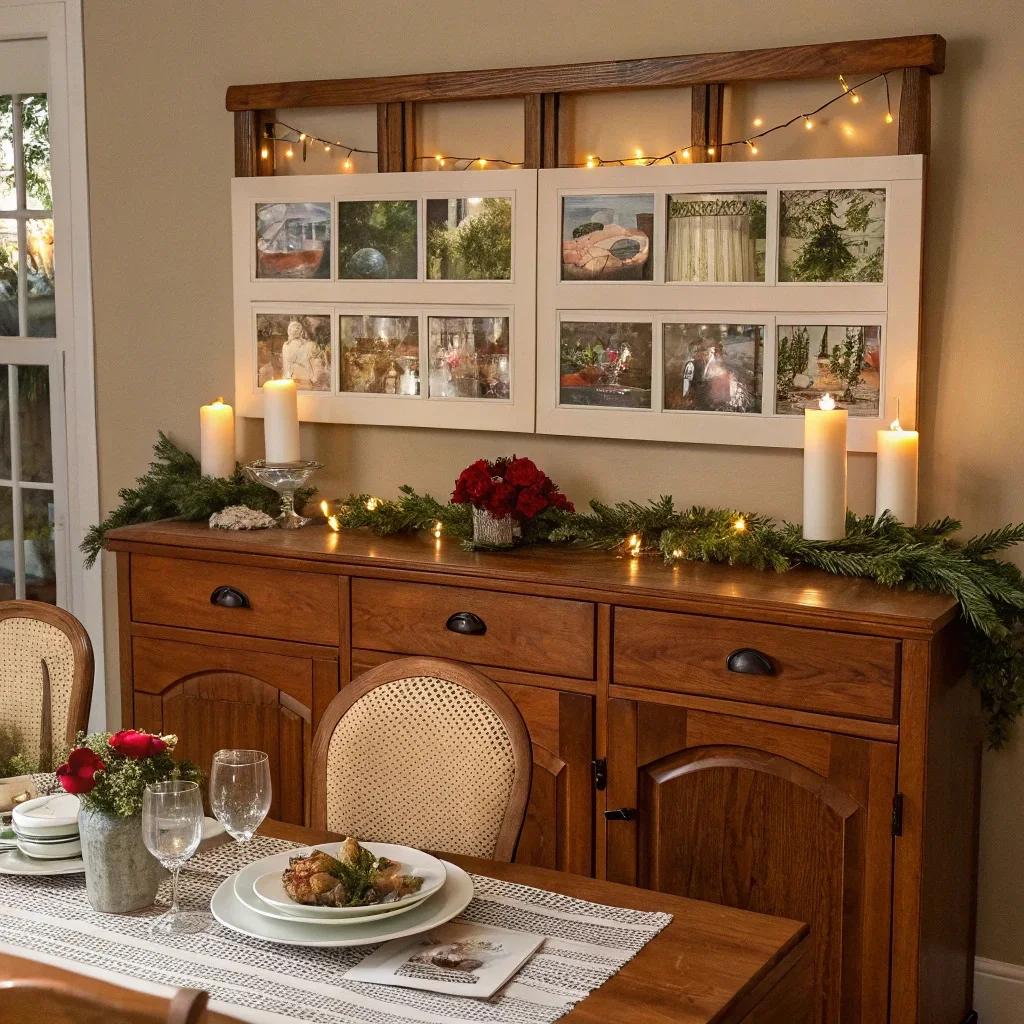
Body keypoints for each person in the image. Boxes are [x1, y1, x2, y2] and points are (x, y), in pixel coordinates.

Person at [281, 319, 325, 390]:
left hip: (306, 376)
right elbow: (286, 363)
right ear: (289, 331)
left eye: (298, 328)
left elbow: (314, 362)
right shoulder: (286, 345)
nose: (295, 330)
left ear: (301, 331)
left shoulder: (309, 344)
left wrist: (314, 377)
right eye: (293, 329)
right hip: (293, 377)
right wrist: (287, 377)